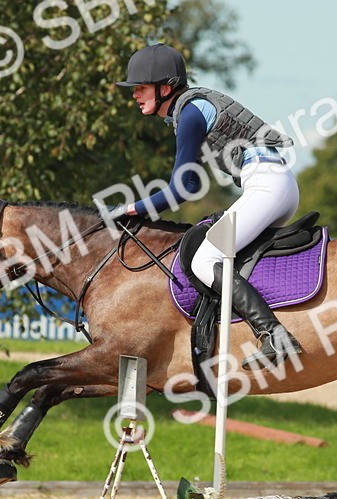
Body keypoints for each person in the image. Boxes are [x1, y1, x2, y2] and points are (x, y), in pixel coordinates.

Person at [114, 43, 302, 370]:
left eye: (140, 88)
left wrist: (133, 208)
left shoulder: (190, 114)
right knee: (213, 241)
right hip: (275, 184)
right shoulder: (193, 107)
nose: (135, 95)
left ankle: (274, 335)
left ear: (165, 88)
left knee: (205, 258)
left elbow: (181, 188)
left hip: (267, 186)